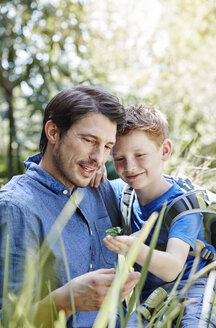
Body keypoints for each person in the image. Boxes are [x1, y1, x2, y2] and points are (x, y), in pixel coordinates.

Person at [0, 85, 140, 328]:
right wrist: (65, 301)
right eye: (89, 140)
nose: (99, 158)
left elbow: (165, 194)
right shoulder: (16, 208)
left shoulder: (102, 190)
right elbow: (10, 320)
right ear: (53, 132)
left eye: (107, 146)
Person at [104, 103, 216, 327]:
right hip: (151, 297)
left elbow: (172, 268)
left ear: (164, 151)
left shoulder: (183, 207)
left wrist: (131, 248)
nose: (130, 167)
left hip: (192, 292)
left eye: (140, 155)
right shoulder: (125, 195)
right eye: (119, 159)